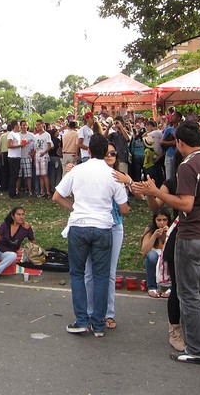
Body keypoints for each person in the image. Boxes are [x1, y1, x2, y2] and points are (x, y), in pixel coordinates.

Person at [135, 121, 200, 364]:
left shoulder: (188, 165)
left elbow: (186, 205)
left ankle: (196, 349)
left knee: (189, 294)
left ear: (180, 143)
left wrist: (157, 192)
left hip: (192, 235)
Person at [53, 134, 129, 338]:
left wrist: (74, 207)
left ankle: (81, 320)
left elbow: (57, 196)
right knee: (102, 275)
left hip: (79, 226)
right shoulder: (112, 174)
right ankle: (99, 324)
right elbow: (123, 208)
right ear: (105, 152)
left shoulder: (78, 170)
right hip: (104, 227)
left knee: (78, 273)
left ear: (88, 151)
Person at [83, 141, 132, 330]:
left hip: (114, 227)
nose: (110, 156)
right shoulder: (90, 173)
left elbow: (138, 196)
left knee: (109, 273)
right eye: (107, 153)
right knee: (89, 273)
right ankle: (89, 312)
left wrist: (128, 181)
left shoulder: (121, 177)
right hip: (92, 226)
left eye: (113, 153)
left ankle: (108, 313)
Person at [0, 206, 35, 283]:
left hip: (8, 252)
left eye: (23, 214)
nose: (21, 217)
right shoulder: (6, 224)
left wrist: (33, 251)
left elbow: (32, 241)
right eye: (18, 214)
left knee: (13, 256)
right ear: (13, 216)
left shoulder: (26, 228)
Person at [140, 207, 172, 298]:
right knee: (151, 256)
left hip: (168, 259)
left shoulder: (173, 230)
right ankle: (152, 287)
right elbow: (144, 252)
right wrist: (154, 236)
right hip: (155, 260)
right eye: (159, 220)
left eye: (164, 220)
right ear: (154, 220)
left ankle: (171, 287)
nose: (162, 223)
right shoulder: (150, 230)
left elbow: (176, 249)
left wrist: (167, 235)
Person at [6, 120, 22, 199]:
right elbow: (9, 145)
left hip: (17, 156)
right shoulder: (11, 134)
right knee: (13, 175)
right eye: (18, 125)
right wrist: (19, 145)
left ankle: (14, 191)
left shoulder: (17, 134)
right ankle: (11, 193)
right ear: (15, 126)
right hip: (13, 157)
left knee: (16, 175)